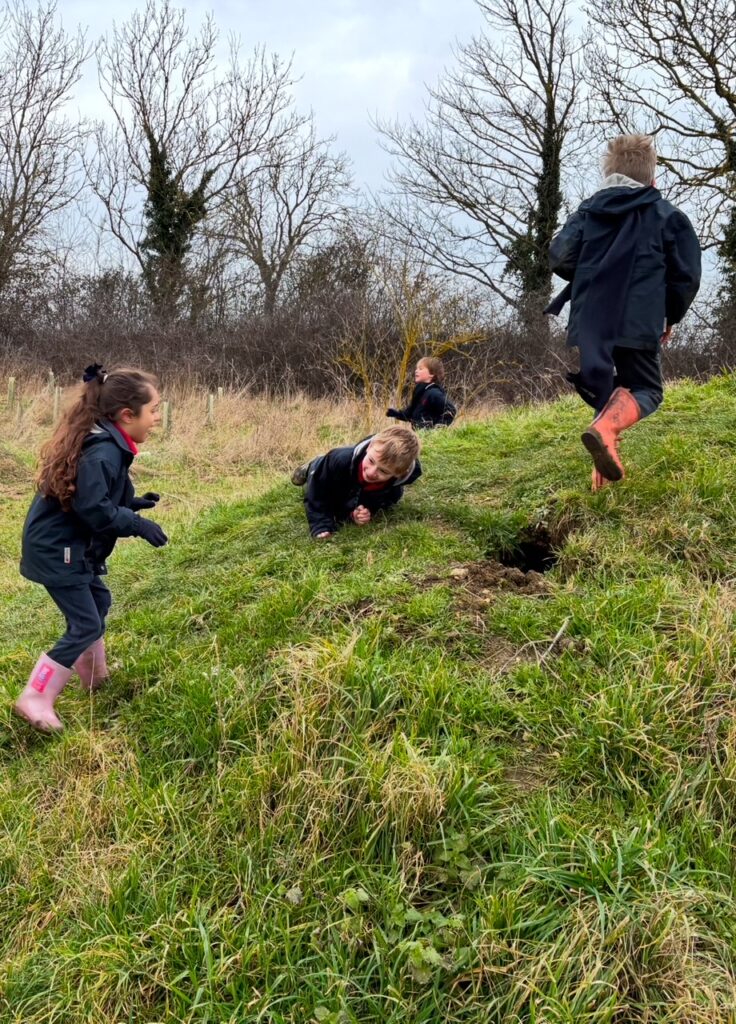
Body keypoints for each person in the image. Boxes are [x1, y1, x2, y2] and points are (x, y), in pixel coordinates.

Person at [13, 364, 168, 733]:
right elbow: (93, 508)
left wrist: (133, 504)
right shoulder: (104, 452)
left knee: (98, 605)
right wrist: (136, 524)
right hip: (58, 550)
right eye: (154, 410)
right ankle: (34, 697)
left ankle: (94, 676)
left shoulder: (110, 444)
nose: (158, 418)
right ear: (127, 415)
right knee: (84, 623)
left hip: (70, 547)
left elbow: (100, 493)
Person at [547, 133, 701, 490]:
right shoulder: (666, 216)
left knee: (608, 391)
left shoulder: (589, 211)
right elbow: (686, 275)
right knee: (647, 389)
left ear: (609, 175)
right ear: (652, 178)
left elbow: (560, 255)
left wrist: (594, 275)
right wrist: (670, 315)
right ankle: (607, 428)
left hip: (591, 321)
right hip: (636, 322)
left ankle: (604, 469)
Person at [291, 425, 422, 539]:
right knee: (320, 479)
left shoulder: (398, 481)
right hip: (328, 469)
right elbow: (317, 493)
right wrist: (321, 526)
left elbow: (377, 501)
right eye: (371, 461)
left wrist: (356, 514)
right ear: (369, 447)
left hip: (359, 482)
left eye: (383, 471)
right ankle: (310, 466)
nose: (371, 472)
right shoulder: (340, 459)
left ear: (399, 474)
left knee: (373, 494)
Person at [386, 356, 457, 428]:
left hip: (427, 437)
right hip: (417, 435)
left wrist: (437, 429)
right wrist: (395, 414)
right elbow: (410, 414)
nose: (416, 371)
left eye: (420, 369)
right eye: (416, 368)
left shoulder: (433, 393)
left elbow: (451, 410)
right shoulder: (420, 392)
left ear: (431, 374)